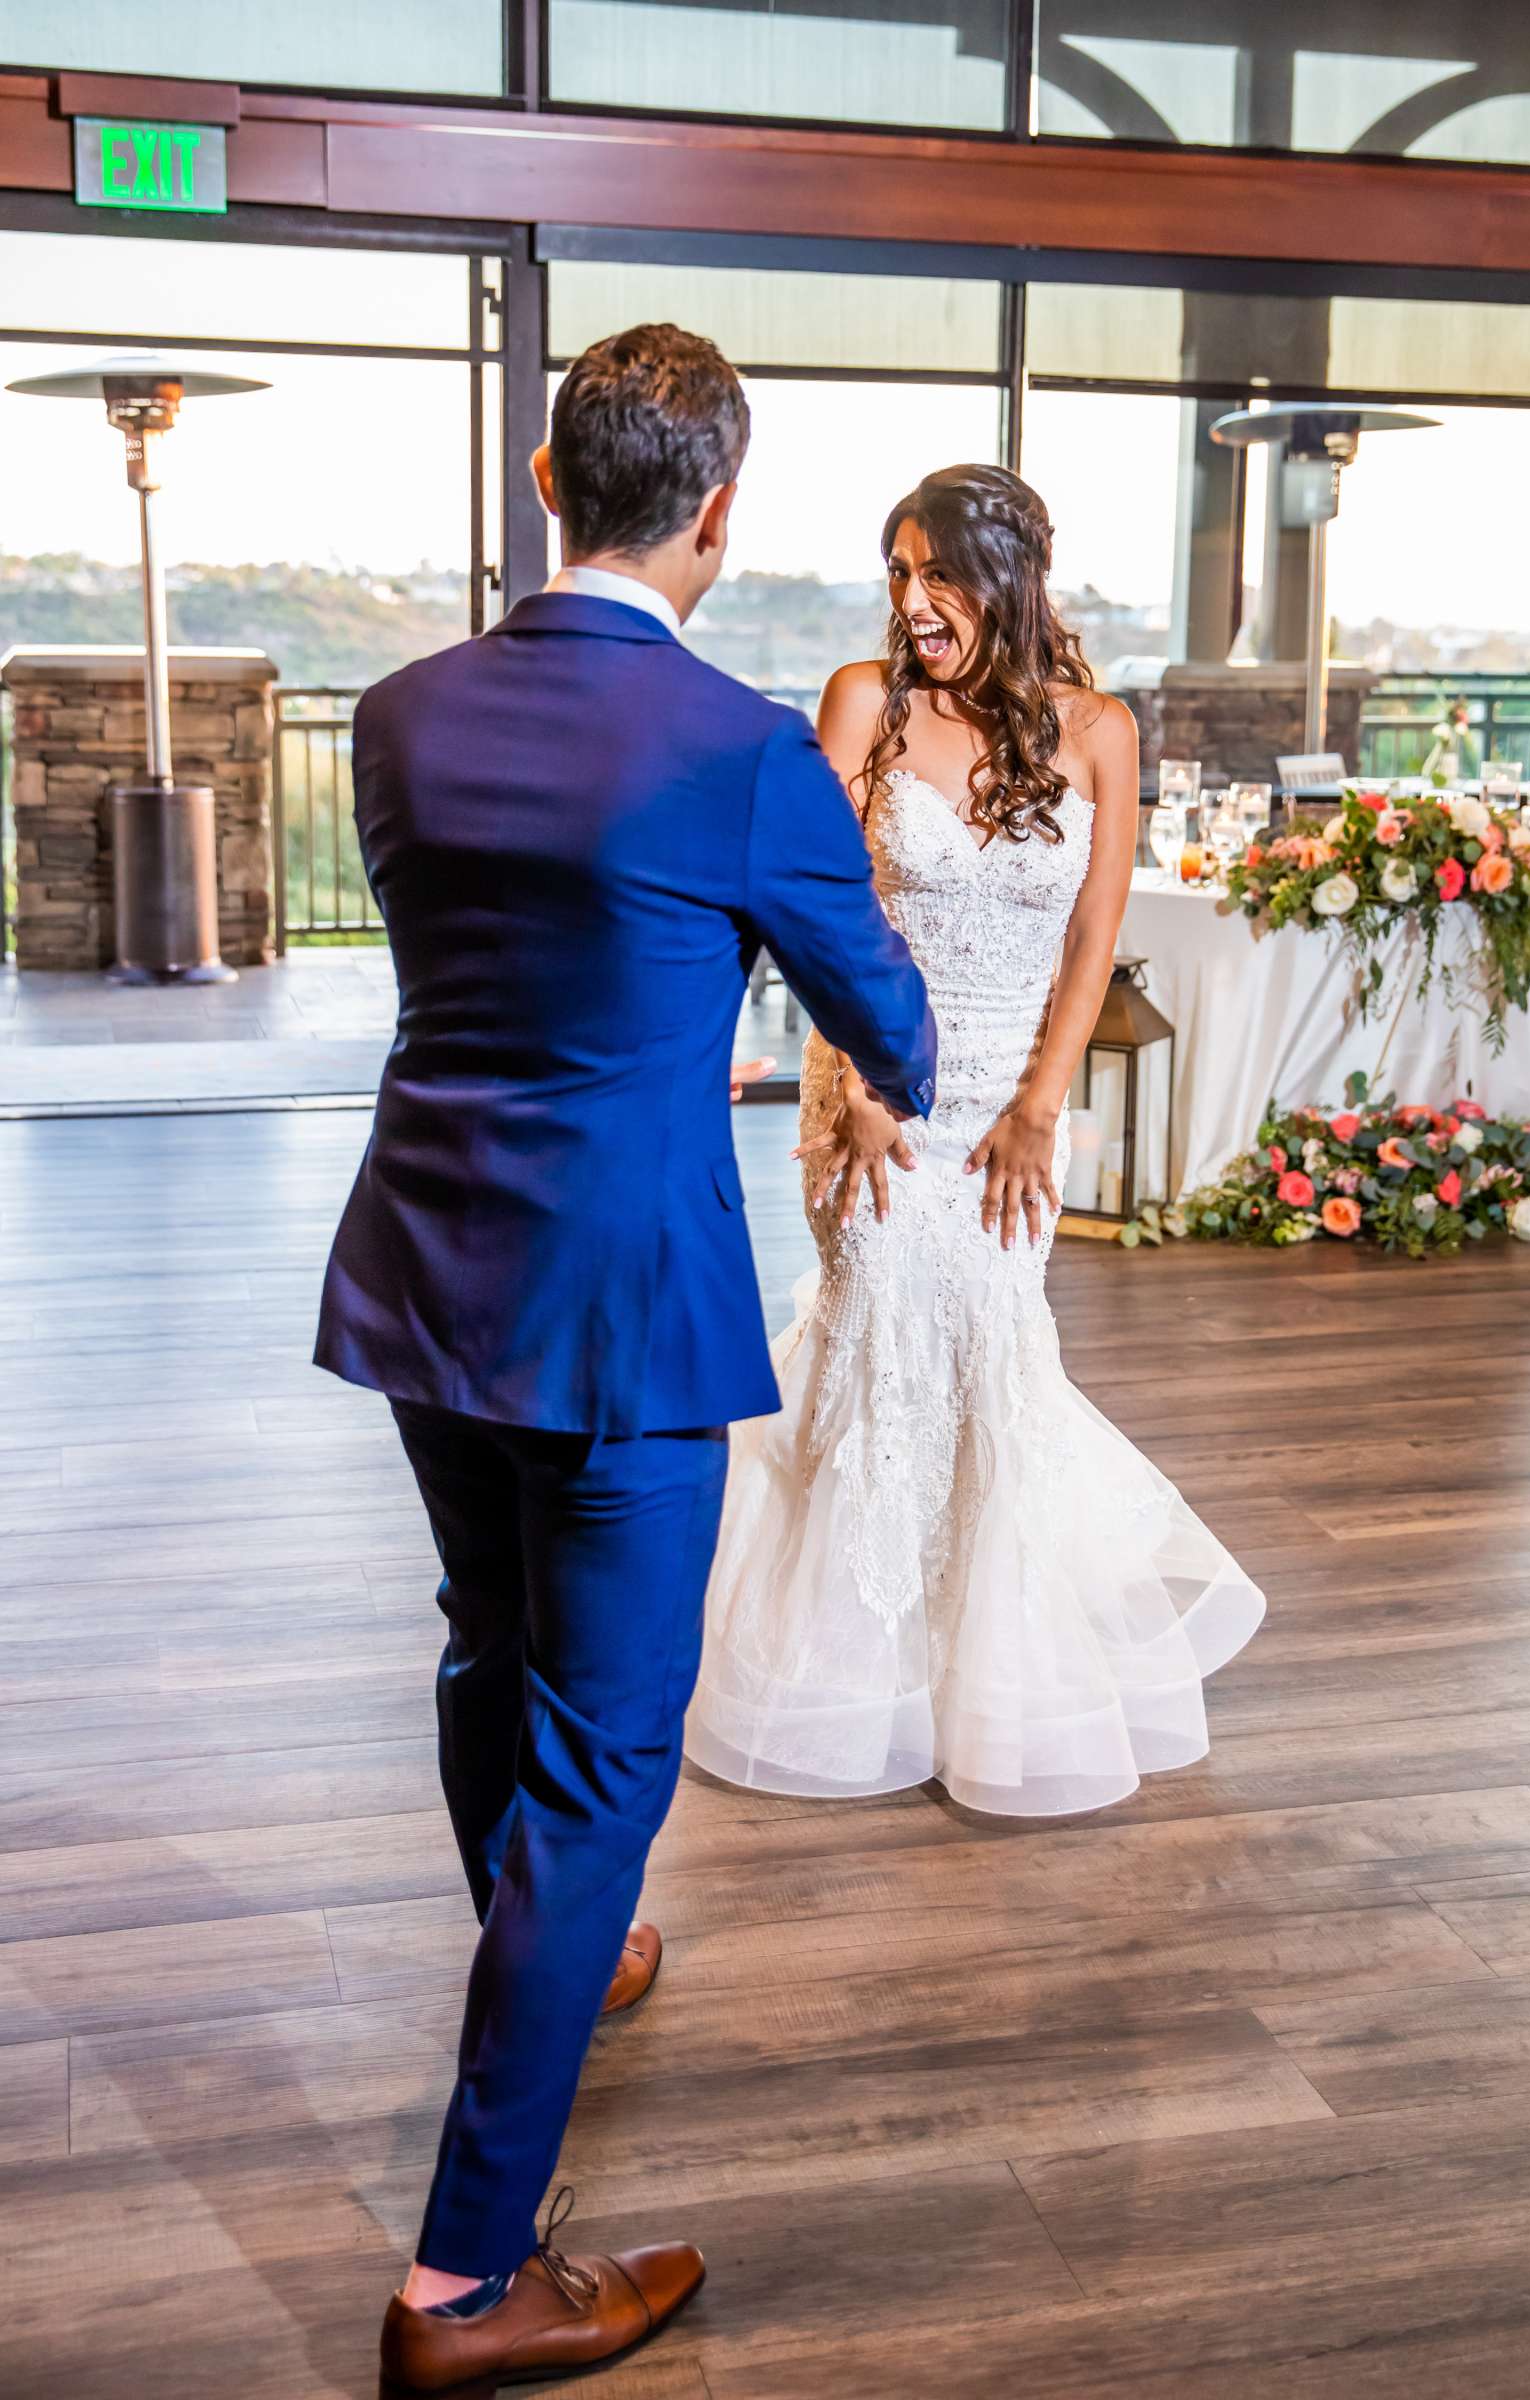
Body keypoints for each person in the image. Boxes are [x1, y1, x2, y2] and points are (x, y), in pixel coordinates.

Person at [314, 324, 936, 2392]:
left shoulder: (395, 718)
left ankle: (570, 1943)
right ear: (721, 516)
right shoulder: (738, 752)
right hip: (623, 1317)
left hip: (427, 1278)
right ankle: (461, 2284)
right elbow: (884, 1015)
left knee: (488, 1652)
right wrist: (894, 1033)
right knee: (604, 1765)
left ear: (537, 472)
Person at [685, 464, 1264, 1818]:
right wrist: (856, 1086)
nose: (909, 602)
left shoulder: (1102, 731)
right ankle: (853, 1676)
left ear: (1004, 578)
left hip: (1017, 1099)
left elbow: (1092, 941)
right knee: (881, 1335)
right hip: (882, 1098)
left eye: (931, 574)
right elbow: (797, 904)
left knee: (993, 1349)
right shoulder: (863, 704)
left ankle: (985, 1673)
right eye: (895, 575)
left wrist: (1038, 1108)